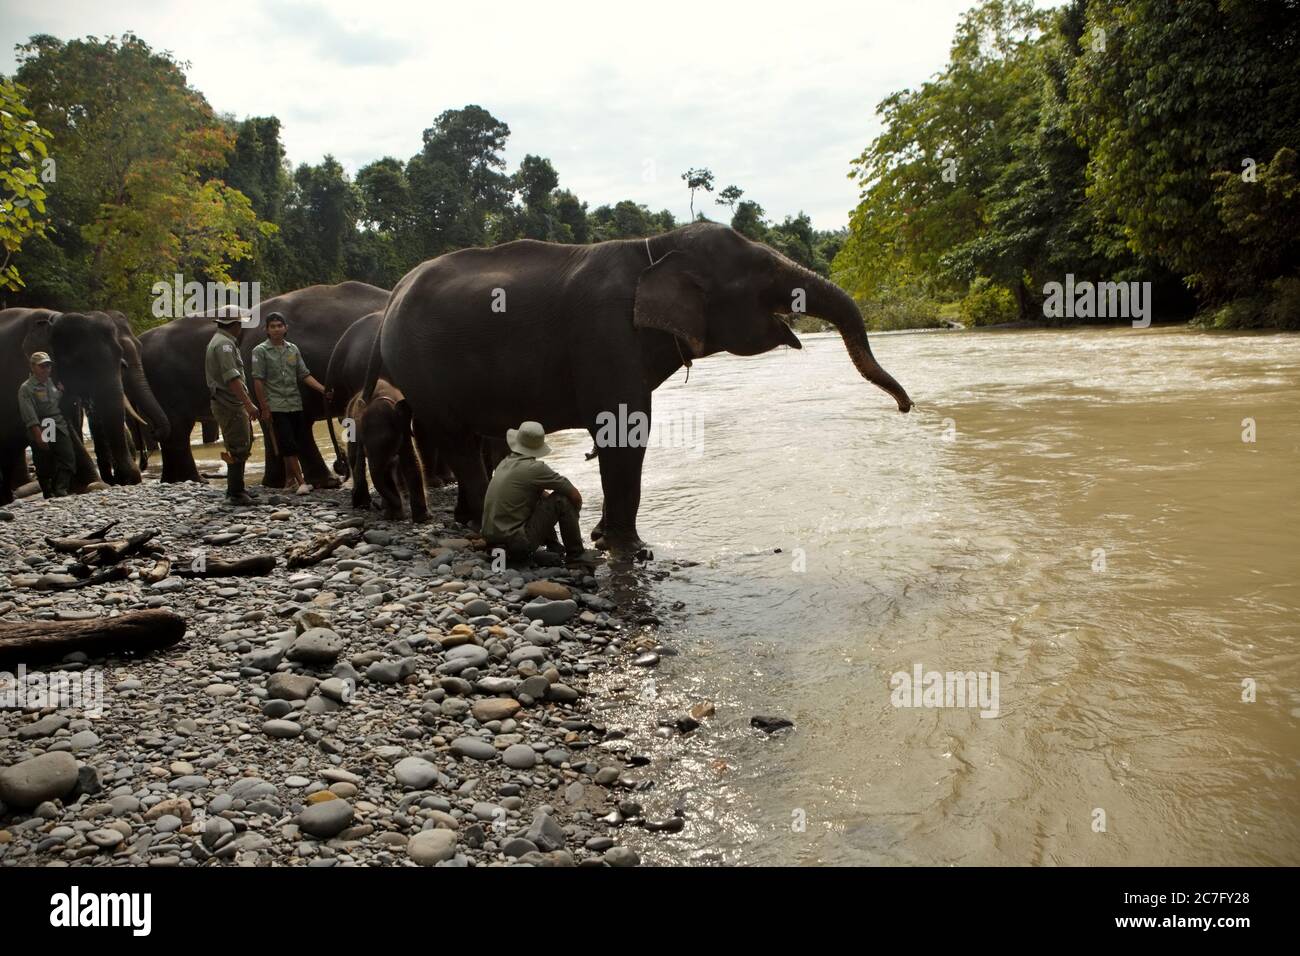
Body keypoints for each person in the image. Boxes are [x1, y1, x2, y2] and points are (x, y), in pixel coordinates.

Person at [482, 421, 594, 564]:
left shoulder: (504, 463)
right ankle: (576, 555)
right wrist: (574, 515)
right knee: (561, 499)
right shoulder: (535, 468)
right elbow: (574, 495)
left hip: (491, 546)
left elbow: (539, 497)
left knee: (541, 497)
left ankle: (554, 546)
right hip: (516, 547)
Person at [250, 311, 329, 494]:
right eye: (273, 327)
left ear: (286, 328)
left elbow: (304, 374)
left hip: (294, 402)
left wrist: (323, 389)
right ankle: (301, 482)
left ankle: (289, 480)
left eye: (279, 326)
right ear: (267, 330)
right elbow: (258, 381)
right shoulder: (260, 351)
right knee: (287, 444)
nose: (277, 329)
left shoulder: (292, 349)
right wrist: (264, 407)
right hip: (276, 405)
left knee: (294, 442)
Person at [204, 311, 258, 504]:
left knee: (242, 441)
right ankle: (235, 492)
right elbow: (232, 378)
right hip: (229, 402)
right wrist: (249, 404)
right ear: (235, 325)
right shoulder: (224, 345)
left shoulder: (220, 341)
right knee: (238, 445)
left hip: (228, 401)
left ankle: (238, 488)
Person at [16, 352, 76, 498]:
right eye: (42, 366)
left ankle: (60, 488)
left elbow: (54, 401)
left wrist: (61, 392)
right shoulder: (27, 388)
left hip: (57, 423)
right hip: (43, 425)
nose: (46, 369)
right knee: (45, 460)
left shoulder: (50, 383)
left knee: (68, 457)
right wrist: (38, 434)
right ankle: (49, 493)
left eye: (48, 366)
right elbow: (29, 414)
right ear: (33, 367)